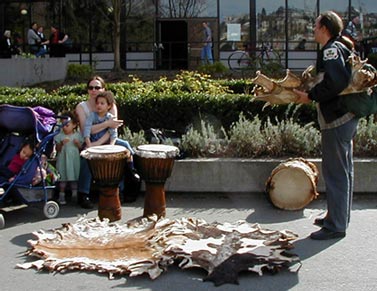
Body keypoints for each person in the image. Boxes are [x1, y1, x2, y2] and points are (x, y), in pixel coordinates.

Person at [294, 11, 359, 240]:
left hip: (337, 120)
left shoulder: (331, 49)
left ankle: (336, 226)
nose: (313, 30)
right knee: (343, 171)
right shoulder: (338, 46)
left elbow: (336, 82)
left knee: (336, 173)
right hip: (344, 118)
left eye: (315, 26)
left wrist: (310, 96)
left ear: (324, 28)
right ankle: (337, 216)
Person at [76, 76, 139, 208]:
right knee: (86, 158)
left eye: (97, 87)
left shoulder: (111, 105)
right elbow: (86, 130)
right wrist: (106, 124)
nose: (94, 90)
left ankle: (124, 186)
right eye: (91, 87)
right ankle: (83, 194)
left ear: (103, 89)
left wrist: (101, 143)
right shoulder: (82, 107)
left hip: (106, 140)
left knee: (124, 148)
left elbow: (112, 129)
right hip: (89, 141)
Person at [54, 111, 83, 205]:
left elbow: (81, 148)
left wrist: (78, 144)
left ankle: (75, 195)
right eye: (63, 125)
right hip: (63, 160)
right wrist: (62, 143)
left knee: (74, 178)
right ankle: (61, 195)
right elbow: (57, 149)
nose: (65, 127)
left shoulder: (77, 135)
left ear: (74, 125)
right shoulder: (60, 135)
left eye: (67, 125)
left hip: (74, 160)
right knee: (63, 179)